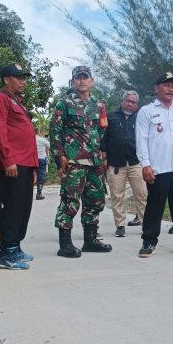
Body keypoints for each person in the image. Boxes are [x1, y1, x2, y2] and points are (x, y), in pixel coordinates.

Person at [50, 65, 111, 257]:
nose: (82, 80)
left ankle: (90, 240)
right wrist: (60, 156)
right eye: (78, 78)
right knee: (70, 201)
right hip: (74, 160)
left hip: (95, 162)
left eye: (85, 77)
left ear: (91, 81)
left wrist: (105, 155)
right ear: (73, 82)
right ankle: (65, 244)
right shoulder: (64, 103)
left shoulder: (99, 105)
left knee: (95, 200)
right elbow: (55, 131)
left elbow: (103, 131)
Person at [136, 72, 173, 258]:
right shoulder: (147, 111)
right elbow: (141, 140)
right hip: (158, 167)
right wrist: (146, 164)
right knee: (155, 205)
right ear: (156, 88)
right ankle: (149, 241)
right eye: (166, 85)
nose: (171, 89)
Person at [0, 63, 39, 270]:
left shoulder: (16, 102)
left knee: (22, 208)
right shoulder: (0, 99)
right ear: (6, 79)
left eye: (24, 77)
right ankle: (7, 253)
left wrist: (34, 167)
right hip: (13, 164)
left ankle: (15, 246)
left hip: (25, 164)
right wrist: (7, 160)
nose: (23, 81)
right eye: (18, 77)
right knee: (12, 208)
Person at [100, 91, 147, 238]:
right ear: (122, 101)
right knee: (117, 196)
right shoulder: (112, 117)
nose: (130, 104)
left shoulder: (141, 118)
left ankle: (146, 224)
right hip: (115, 164)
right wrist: (104, 158)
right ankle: (120, 226)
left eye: (133, 102)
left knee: (142, 194)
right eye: (128, 101)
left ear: (136, 104)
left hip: (136, 162)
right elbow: (104, 139)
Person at [35, 131, 50, 200]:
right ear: (38, 132)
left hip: (32, 159)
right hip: (41, 159)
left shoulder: (30, 139)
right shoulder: (43, 140)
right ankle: (39, 194)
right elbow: (50, 146)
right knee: (40, 178)